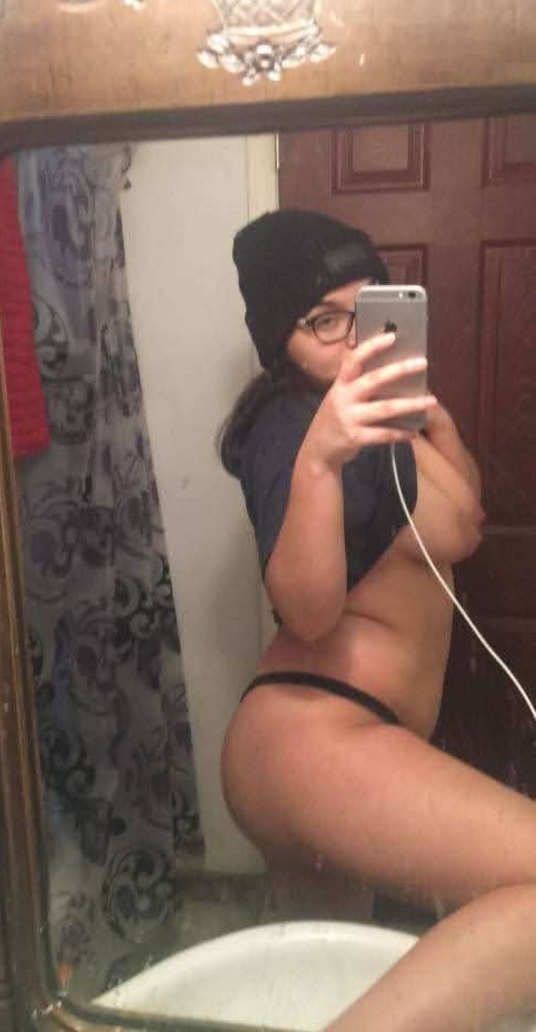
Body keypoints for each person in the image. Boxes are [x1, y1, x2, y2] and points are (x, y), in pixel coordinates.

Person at [219, 209, 536, 1031]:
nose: (355, 335)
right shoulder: (291, 427)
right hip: (312, 735)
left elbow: (463, 525)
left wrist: (432, 419)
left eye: (370, 307)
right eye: (324, 320)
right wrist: (321, 460)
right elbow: (308, 611)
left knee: (324, 978)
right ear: (280, 340)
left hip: (351, 738)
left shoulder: (383, 414)